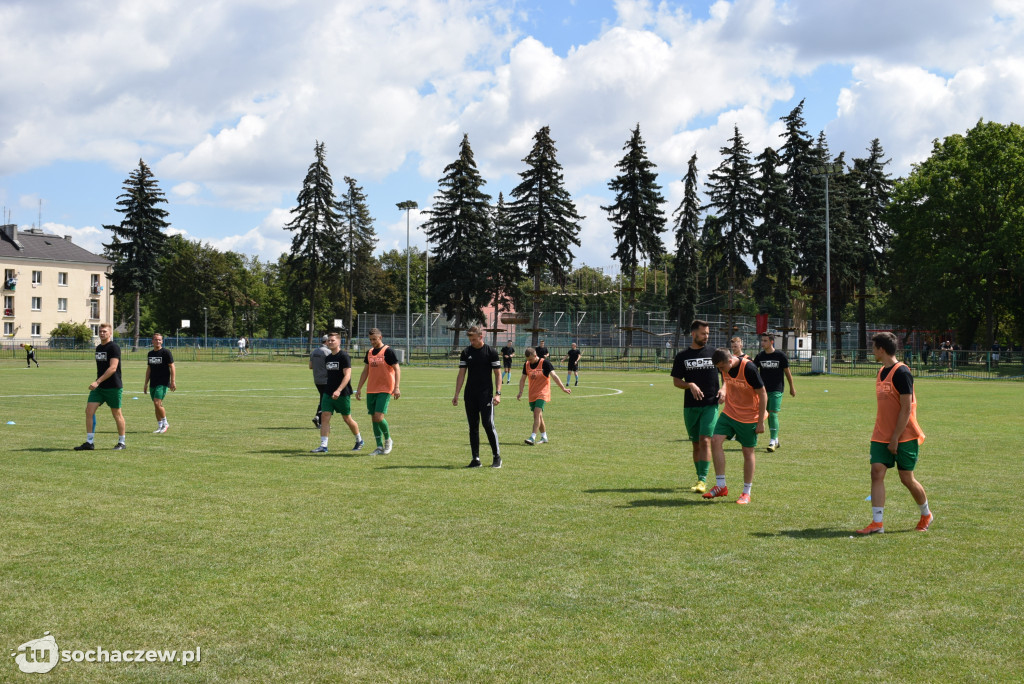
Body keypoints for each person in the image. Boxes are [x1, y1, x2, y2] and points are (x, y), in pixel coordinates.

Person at [857, 332, 933, 534]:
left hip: (904, 436)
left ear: (881, 349)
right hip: (880, 434)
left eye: (873, 348)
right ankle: (877, 523)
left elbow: (906, 409)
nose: (872, 351)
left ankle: (926, 514)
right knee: (876, 473)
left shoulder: (902, 373)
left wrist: (895, 438)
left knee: (906, 478)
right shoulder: (881, 371)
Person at [703, 348, 767, 504]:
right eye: (718, 368)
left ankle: (746, 492)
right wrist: (724, 389)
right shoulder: (725, 366)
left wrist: (760, 422)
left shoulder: (749, 368)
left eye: (721, 367)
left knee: (747, 451)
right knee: (715, 441)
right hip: (730, 413)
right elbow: (726, 379)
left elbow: (763, 393)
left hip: (749, 417)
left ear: (730, 361)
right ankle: (720, 486)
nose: (720, 371)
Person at [671, 319, 722, 494]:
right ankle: (699, 475)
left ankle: (703, 480)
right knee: (695, 444)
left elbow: (728, 375)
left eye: (708, 333)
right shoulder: (682, 356)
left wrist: (724, 389)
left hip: (710, 404)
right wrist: (690, 385)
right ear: (693, 334)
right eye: (703, 333)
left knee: (705, 440)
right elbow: (676, 381)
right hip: (690, 406)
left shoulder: (715, 353)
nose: (706, 337)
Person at [452, 325, 502, 468]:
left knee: (487, 424)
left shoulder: (491, 352)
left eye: (474, 339)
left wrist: (498, 394)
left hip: (486, 395)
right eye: (470, 339)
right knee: (473, 426)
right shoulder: (466, 352)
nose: (471, 342)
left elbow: (498, 374)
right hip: (470, 395)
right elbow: (461, 374)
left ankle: (496, 457)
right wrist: (456, 394)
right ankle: (476, 459)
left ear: (481, 337)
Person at [75, 322, 126, 450]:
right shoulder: (98, 348)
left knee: (117, 414)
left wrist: (97, 381)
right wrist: (98, 384)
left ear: (110, 333)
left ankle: (122, 442)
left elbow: (113, 368)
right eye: (101, 331)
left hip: (113, 387)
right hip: (100, 388)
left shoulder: (114, 347)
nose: (102, 333)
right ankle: (89, 442)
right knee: (89, 411)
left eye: (105, 331)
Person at [310, 331, 363, 454]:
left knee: (347, 418)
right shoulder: (328, 358)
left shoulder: (344, 356)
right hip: (328, 392)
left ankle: (359, 440)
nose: (330, 342)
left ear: (339, 342)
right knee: (325, 417)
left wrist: (338, 390)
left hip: (342, 393)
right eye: (328, 340)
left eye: (332, 340)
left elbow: (347, 375)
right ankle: (323, 445)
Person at [354, 328, 401, 455]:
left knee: (379, 417)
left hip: (385, 389)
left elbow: (397, 369)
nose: (372, 342)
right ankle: (379, 447)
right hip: (371, 389)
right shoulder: (369, 352)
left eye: (374, 339)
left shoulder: (388, 351)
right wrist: (359, 388)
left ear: (380, 337)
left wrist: (396, 387)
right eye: (370, 340)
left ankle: (388, 440)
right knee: (374, 418)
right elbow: (365, 371)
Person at [516, 347, 571, 445]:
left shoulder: (545, 363)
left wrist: (563, 388)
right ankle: (544, 437)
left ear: (535, 355)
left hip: (543, 392)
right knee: (539, 416)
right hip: (532, 394)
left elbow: (554, 376)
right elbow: (522, 379)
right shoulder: (527, 364)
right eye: (527, 360)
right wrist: (520, 392)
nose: (529, 362)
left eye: (531, 359)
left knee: (537, 413)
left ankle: (532, 437)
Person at [754, 332, 795, 452]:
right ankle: (775, 440)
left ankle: (772, 441)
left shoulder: (780, 355)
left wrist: (792, 387)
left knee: (773, 414)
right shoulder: (760, 356)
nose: (762, 343)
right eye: (762, 340)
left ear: (771, 342)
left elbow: (787, 372)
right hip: (763, 391)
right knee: (763, 414)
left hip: (777, 389)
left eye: (765, 341)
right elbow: (753, 370)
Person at [143, 332, 176, 434]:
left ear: (162, 341)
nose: (157, 341)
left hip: (163, 382)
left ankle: (165, 423)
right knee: (155, 405)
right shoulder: (150, 354)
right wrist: (145, 383)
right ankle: (160, 425)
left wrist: (172, 381)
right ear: (152, 341)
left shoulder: (166, 352)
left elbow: (172, 366)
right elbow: (149, 369)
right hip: (153, 382)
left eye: (159, 340)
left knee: (158, 403)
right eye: (156, 339)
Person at [309, 335, 331, 428]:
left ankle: (318, 417)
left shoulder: (314, 352)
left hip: (317, 379)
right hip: (326, 379)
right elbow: (331, 366)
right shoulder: (328, 352)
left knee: (323, 398)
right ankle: (321, 421)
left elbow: (310, 366)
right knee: (326, 401)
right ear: (326, 341)